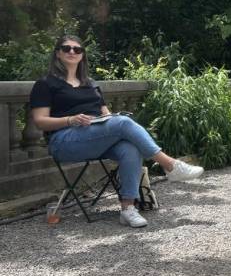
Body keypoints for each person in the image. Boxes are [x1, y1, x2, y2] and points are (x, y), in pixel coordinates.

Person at [29, 35, 204, 228]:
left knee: (130, 147)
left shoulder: (90, 83)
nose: (72, 52)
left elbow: (106, 114)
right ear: (57, 53)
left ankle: (128, 209)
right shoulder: (46, 84)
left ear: (82, 55)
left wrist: (108, 120)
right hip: (64, 140)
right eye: (66, 48)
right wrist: (70, 119)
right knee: (123, 123)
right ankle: (170, 165)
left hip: (95, 137)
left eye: (77, 49)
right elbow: (40, 122)